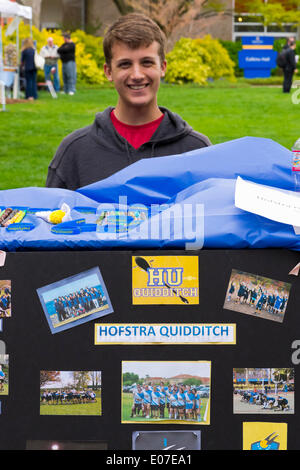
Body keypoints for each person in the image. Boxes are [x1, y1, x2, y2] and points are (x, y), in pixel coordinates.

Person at [46, 13, 211, 191]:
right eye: (125, 64)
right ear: (108, 71)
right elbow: (51, 217)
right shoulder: (75, 152)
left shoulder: (197, 151)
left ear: (162, 68)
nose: (137, 75)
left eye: (147, 63)